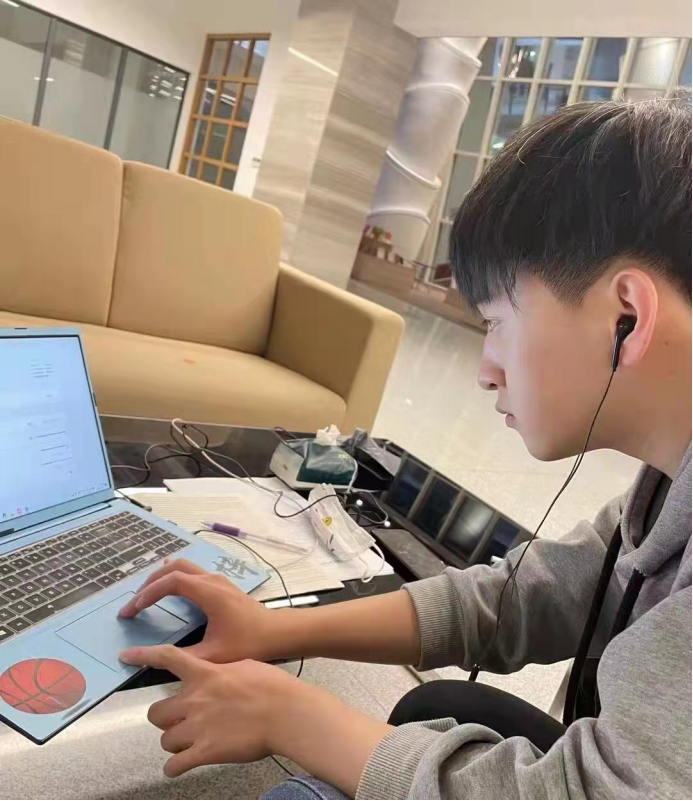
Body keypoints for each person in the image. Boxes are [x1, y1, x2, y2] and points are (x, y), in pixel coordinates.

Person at [118, 94, 692, 800]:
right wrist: (274, 629)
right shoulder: (664, 484)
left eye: (495, 321)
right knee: (432, 708)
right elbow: (525, 598)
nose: (485, 369)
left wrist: (288, 714)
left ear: (626, 316)